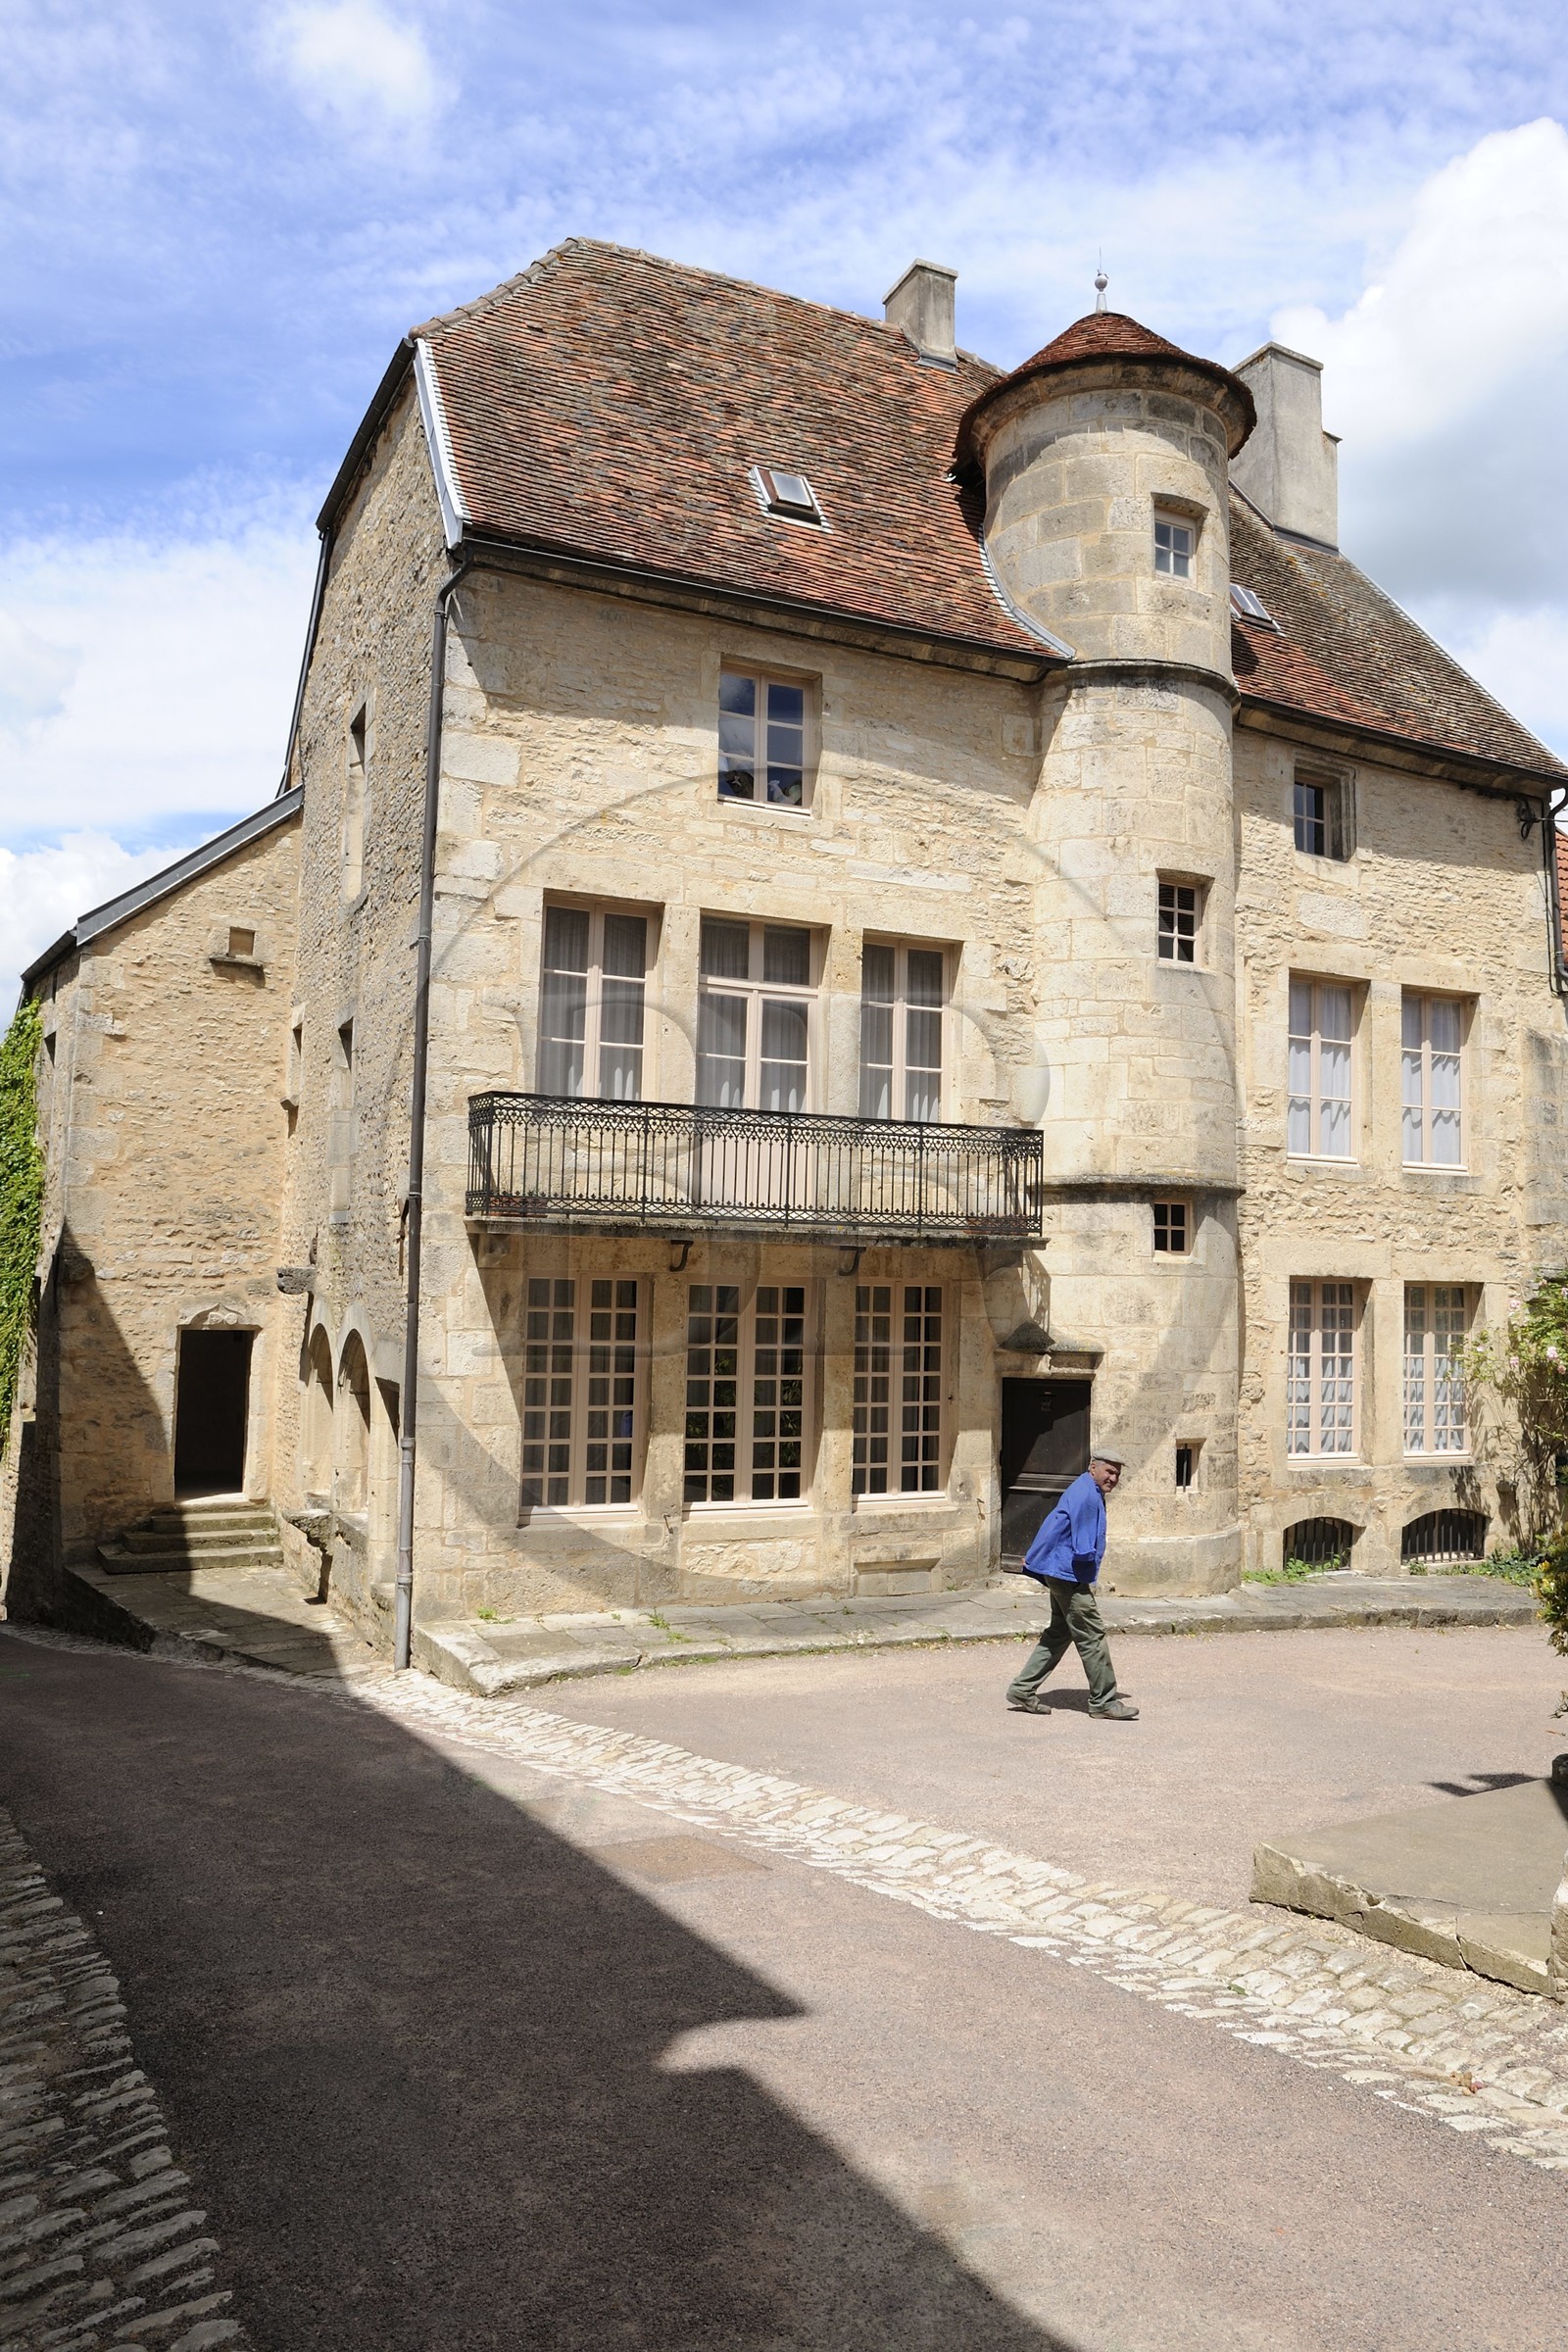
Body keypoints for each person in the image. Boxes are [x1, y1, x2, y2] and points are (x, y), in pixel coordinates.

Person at [1004, 1450, 1139, 1720]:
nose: (1113, 1478)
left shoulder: (1083, 1486)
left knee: (1060, 1632)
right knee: (1092, 1635)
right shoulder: (1088, 1495)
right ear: (1093, 1468)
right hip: (1068, 1573)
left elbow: (1055, 1525)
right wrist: (1084, 1575)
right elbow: (1083, 1543)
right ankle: (1104, 1701)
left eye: (1117, 1474)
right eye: (1109, 1472)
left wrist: (1035, 1558)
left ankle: (1022, 1688)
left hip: (1059, 1569)